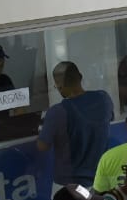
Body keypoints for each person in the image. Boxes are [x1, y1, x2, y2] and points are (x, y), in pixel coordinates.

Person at [38, 61, 114, 190]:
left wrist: (45, 128)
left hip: (69, 186)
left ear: (59, 86)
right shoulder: (104, 98)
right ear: (80, 77)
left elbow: (42, 146)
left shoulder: (57, 112)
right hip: (100, 181)